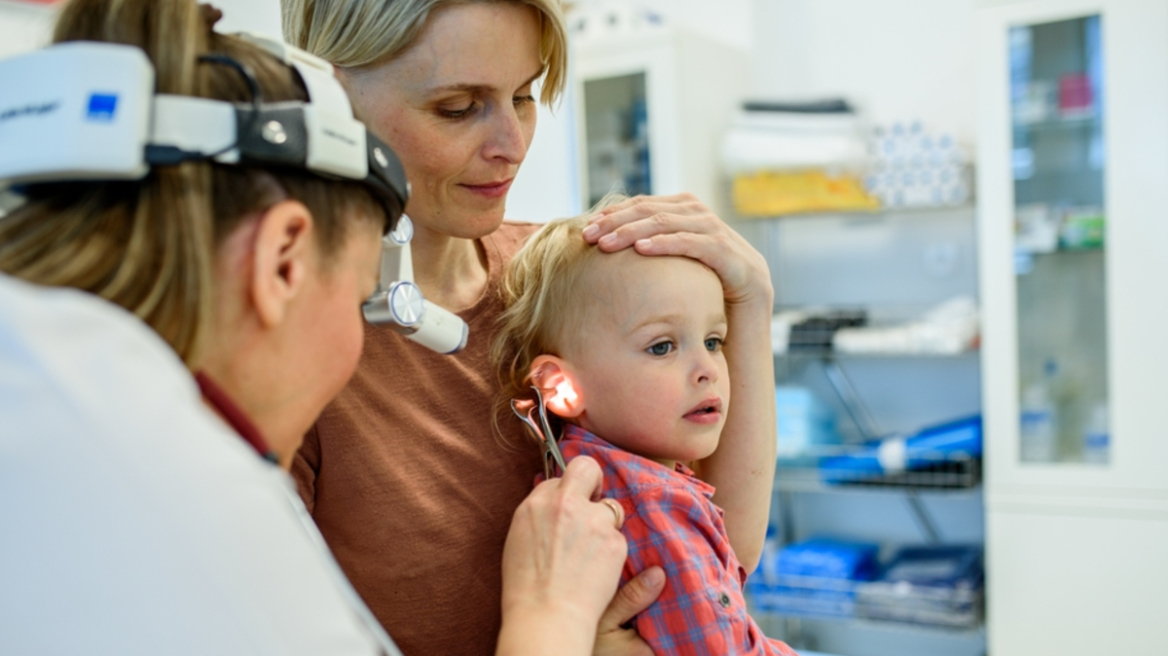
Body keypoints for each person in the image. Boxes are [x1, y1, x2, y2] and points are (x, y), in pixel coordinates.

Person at [0, 1, 628, 654]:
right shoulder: (180, 506)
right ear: (281, 260)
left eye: (524, 97)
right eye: (365, 287)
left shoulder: (50, 390)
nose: (512, 143)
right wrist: (549, 618)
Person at [281, 1, 779, 653]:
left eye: (523, 96)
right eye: (458, 107)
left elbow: (722, 552)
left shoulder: (565, 280)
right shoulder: (285, 352)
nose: (510, 146)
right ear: (325, 96)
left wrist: (752, 300)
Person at [491, 209, 800, 655]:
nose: (708, 370)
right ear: (560, 388)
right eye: (662, 346)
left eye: (714, 341)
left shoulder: (602, 464)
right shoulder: (651, 504)